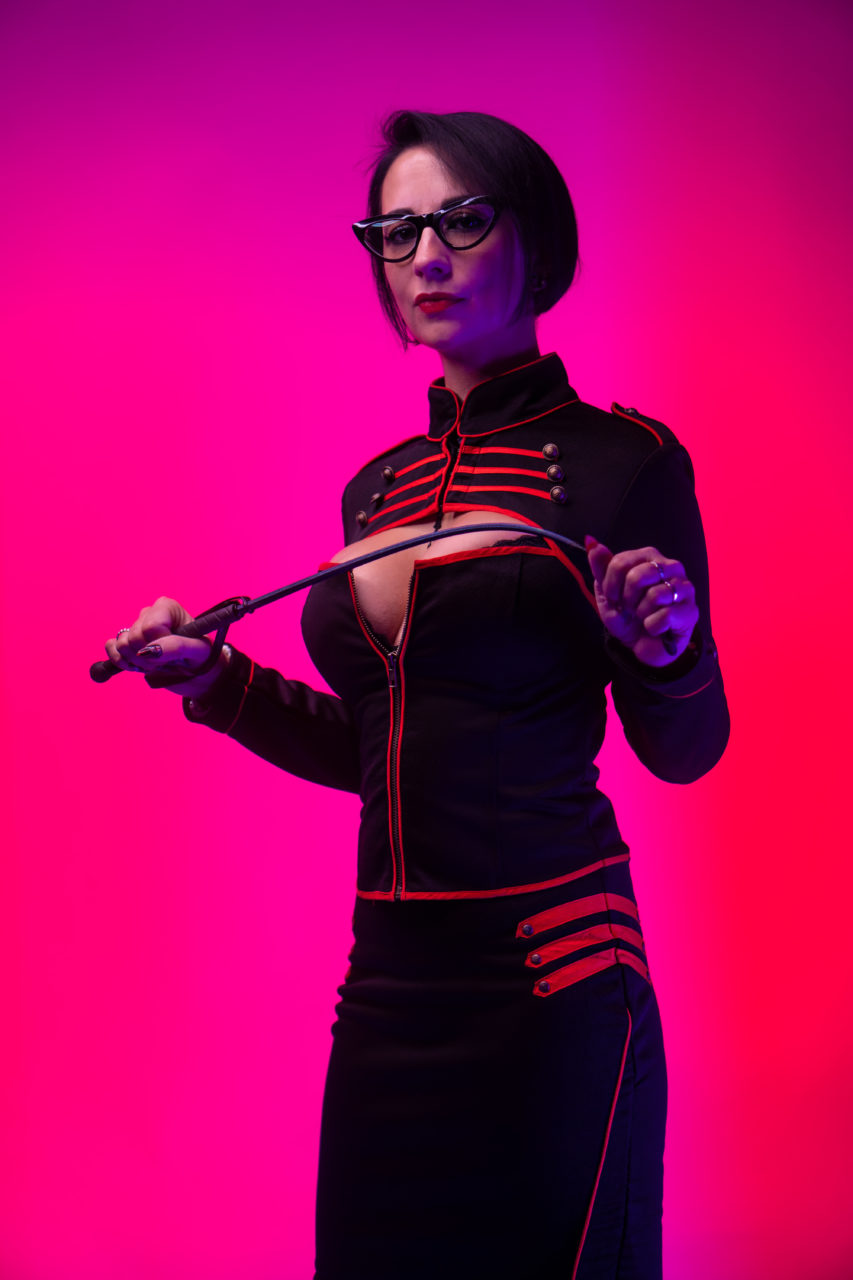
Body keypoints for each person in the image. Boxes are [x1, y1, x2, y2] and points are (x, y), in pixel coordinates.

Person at [105, 110, 729, 1279]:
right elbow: (381, 747)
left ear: (533, 238)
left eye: (460, 220)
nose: (426, 256)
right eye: (397, 232)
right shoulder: (374, 490)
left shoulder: (625, 462)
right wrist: (219, 680)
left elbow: (687, 748)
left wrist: (665, 646)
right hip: (387, 990)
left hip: (552, 980)